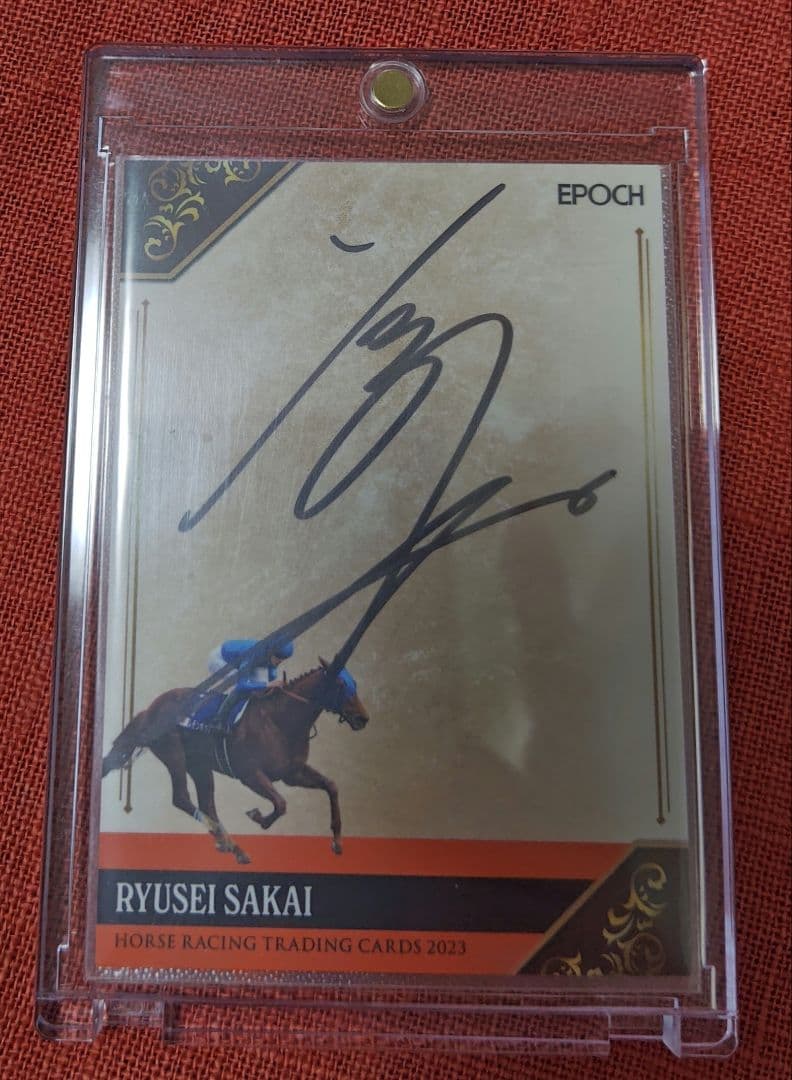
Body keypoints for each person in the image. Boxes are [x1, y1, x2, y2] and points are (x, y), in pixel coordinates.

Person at [208, 637, 294, 729]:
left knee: (261, 683)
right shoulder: (253, 653)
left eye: (283, 659)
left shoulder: (269, 654)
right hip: (220, 660)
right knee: (243, 687)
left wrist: (271, 685)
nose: (280, 661)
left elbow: (271, 675)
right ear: (271, 652)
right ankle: (217, 721)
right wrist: (268, 684)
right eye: (278, 658)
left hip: (240, 661)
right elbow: (242, 685)